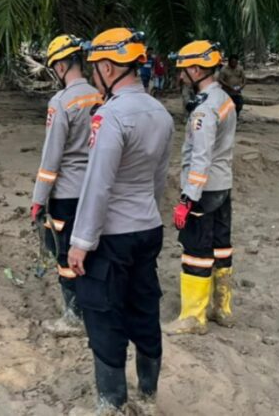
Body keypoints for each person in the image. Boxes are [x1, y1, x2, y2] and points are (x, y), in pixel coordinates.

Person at [67, 28, 174, 413]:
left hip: (112, 235)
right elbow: (159, 177)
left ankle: (111, 401)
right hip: (147, 228)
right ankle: (148, 390)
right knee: (144, 306)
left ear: (109, 67)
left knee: (103, 312)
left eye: (96, 68)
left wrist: (81, 242)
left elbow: (98, 183)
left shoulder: (111, 116)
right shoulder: (160, 113)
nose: (95, 75)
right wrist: (148, 211)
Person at [31, 34, 103, 337]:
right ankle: (98, 309)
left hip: (68, 193)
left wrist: (39, 198)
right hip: (98, 189)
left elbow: (52, 157)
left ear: (61, 65)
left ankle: (74, 317)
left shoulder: (60, 102)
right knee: (94, 251)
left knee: (66, 256)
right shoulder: (102, 96)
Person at [165, 40, 237, 336]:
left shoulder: (204, 110)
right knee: (221, 246)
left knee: (196, 249)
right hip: (223, 186)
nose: (181, 76)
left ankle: (194, 316)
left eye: (184, 71)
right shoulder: (223, 99)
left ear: (196, 69)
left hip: (204, 190)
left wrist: (187, 199)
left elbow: (201, 157)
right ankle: (222, 307)